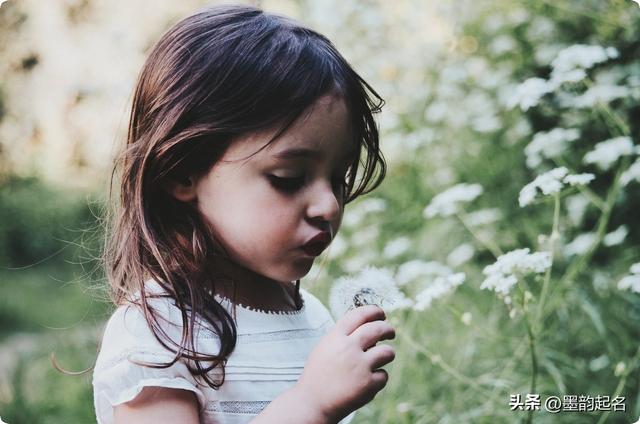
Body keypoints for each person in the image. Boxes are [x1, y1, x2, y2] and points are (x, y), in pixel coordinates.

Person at [92, 4, 395, 424]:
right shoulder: (156, 336)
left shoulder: (313, 317)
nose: (329, 205)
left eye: (339, 178)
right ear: (183, 171)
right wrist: (311, 404)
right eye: (288, 178)